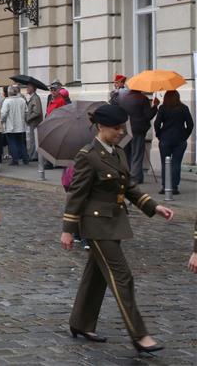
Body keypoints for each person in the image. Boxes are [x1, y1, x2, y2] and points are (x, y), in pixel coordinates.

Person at [60, 104, 174, 354]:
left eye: (123, 127)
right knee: (122, 276)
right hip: (96, 225)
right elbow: (76, 195)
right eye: (116, 128)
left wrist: (154, 206)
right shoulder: (88, 155)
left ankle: (80, 323)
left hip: (115, 222)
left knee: (97, 275)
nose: (121, 132)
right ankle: (139, 335)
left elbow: (129, 187)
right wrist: (68, 229)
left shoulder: (117, 153)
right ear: (101, 127)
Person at [153, 90, 193, 195]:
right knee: (176, 163)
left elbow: (157, 124)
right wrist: (185, 135)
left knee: (165, 163)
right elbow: (190, 125)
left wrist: (159, 135)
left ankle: (165, 186)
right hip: (180, 139)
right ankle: (174, 186)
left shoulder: (162, 108)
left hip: (165, 139)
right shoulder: (184, 108)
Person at [116, 88, 158, 184]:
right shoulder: (143, 99)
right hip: (138, 130)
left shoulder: (123, 98)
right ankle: (135, 177)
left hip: (125, 129)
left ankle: (127, 175)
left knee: (126, 153)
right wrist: (155, 106)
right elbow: (148, 115)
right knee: (137, 154)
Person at [1, 86, 29, 165]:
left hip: (11, 126)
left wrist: (2, 121)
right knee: (21, 143)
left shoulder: (7, 101)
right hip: (21, 125)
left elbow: (3, 114)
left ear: (9, 92)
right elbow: (26, 112)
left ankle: (15, 160)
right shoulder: (22, 100)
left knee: (12, 143)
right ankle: (25, 158)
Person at [25, 83, 43, 161]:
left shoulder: (35, 98)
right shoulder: (32, 98)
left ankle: (33, 156)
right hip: (33, 122)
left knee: (34, 140)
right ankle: (33, 155)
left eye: (28, 87)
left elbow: (37, 112)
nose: (27, 88)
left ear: (33, 88)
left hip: (35, 122)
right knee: (33, 139)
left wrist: (28, 118)